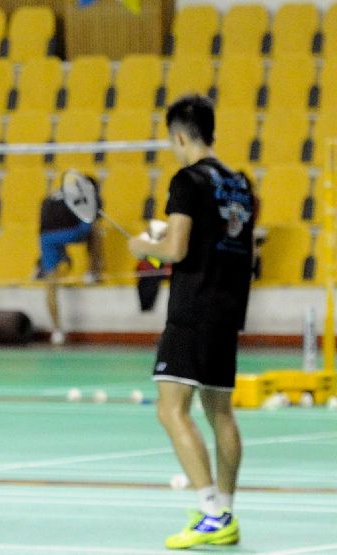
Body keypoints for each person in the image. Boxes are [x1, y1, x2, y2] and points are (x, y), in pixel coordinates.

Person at [127, 94, 256, 550]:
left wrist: (145, 246)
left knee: (171, 409)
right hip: (227, 311)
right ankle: (225, 509)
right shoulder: (240, 183)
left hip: (192, 311)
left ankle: (211, 511)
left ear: (179, 135)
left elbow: (177, 249)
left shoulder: (187, 179)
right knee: (220, 411)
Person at [37, 170, 102, 345]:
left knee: (50, 285)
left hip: (47, 238)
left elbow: (45, 226)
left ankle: (57, 331)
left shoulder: (50, 198)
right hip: (72, 232)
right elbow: (90, 221)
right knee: (95, 231)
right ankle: (93, 271)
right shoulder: (90, 194)